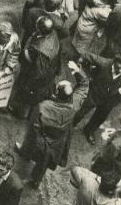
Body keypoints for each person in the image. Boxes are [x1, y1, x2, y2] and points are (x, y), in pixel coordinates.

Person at [15, 61, 89, 189]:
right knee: (43, 164)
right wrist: (77, 71)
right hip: (57, 143)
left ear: (56, 92)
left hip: (40, 140)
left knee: (30, 143)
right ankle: (35, 182)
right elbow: (84, 85)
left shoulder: (43, 107)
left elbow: (33, 129)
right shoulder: (74, 105)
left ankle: (25, 153)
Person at [73, 52, 121, 145]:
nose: (120, 70)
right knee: (81, 111)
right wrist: (86, 75)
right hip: (95, 93)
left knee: (100, 117)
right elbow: (85, 56)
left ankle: (89, 130)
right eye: (118, 67)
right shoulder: (103, 63)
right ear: (114, 62)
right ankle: (69, 126)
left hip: (111, 100)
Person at [9, 16, 60, 119]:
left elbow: (39, 73)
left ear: (40, 29)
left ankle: (21, 114)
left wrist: (30, 86)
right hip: (46, 68)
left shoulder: (41, 49)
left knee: (27, 96)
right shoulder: (52, 33)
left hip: (36, 77)